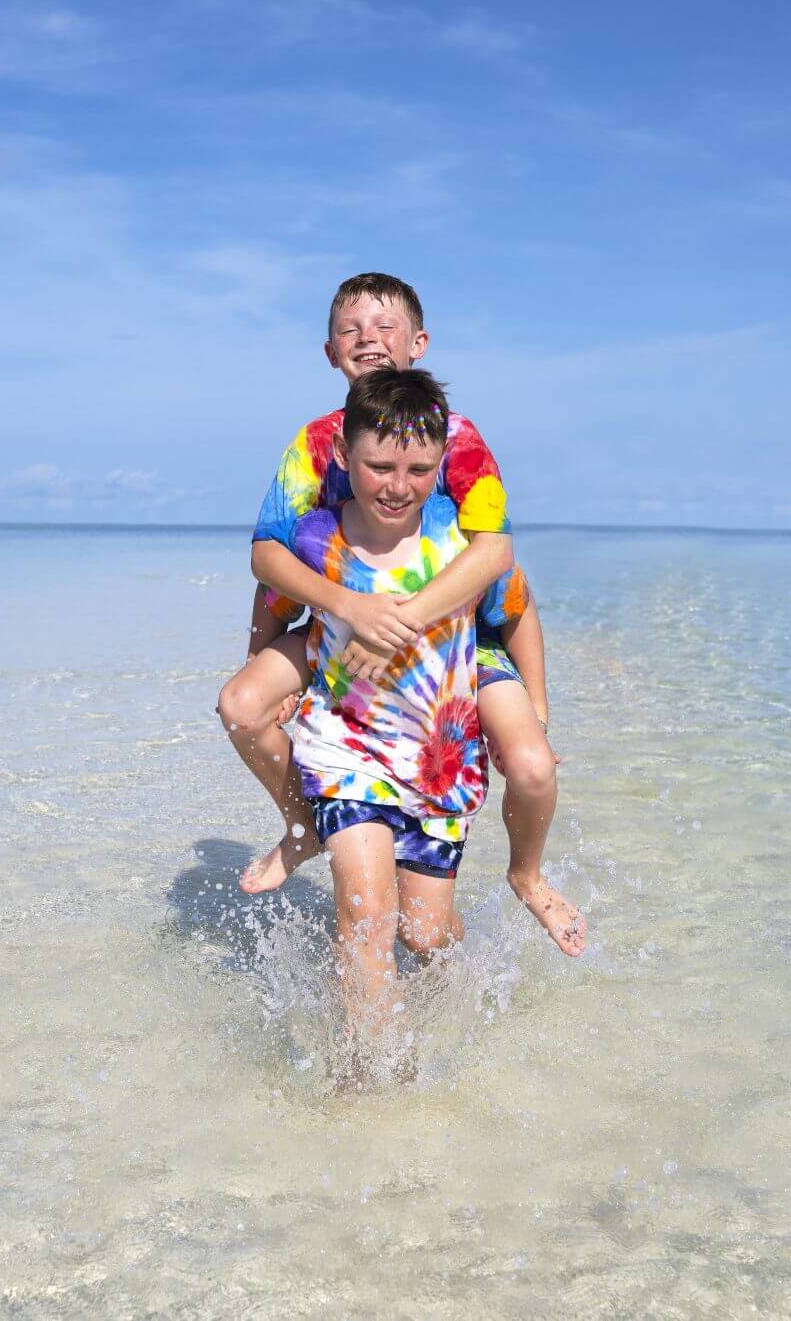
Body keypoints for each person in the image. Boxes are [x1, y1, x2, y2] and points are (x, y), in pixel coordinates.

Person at [216, 273, 586, 956]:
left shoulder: (457, 437)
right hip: (343, 622)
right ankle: (304, 826)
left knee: (530, 767)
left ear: (418, 343)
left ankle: (526, 874)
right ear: (331, 351)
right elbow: (271, 560)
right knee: (242, 703)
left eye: (385, 327)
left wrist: (410, 625)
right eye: (352, 329)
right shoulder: (316, 443)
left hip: (455, 640)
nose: (369, 339)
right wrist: (341, 614)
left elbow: (501, 563)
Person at [279, 368, 515, 1078]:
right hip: (345, 745)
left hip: (437, 759)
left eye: (418, 468)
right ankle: (379, 1075)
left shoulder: (459, 538)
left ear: (441, 464)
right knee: (364, 908)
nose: (397, 484)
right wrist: (291, 649)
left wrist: (529, 710)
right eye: (379, 465)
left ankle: (456, 984)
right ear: (343, 456)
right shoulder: (317, 536)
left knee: (424, 933)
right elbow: (269, 571)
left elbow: (505, 568)